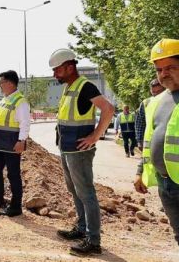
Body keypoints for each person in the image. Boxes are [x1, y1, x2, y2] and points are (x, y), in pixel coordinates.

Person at [49, 48, 114, 256]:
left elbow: (108, 109)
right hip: (67, 148)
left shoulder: (85, 87)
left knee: (86, 193)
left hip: (79, 151)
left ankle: (93, 241)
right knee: (75, 190)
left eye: (57, 70)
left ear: (69, 67)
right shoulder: (70, 87)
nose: (54, 74)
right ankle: (82, 228)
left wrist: (95, 136)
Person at [134, 39, 179, 251]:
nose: (164, 74)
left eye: (171, 67)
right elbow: (149, 139)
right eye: (159, 69)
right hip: (166, 183)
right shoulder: (156, 101)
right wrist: (140, 171)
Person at [0, 70, 30, 217]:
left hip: (12, 144)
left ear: (10, 83)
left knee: (13, 174)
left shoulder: (20, 101)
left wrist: (21, 141)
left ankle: (16, 207)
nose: (0, 85)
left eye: (1, 82)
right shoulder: (4, 100)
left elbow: (25, 123)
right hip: (0, 143)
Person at [135, 78, 164, 150]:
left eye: (159, 91)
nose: (156, 94)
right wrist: (139, 141)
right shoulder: (145, 103)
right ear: (150, 91)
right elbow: (140, 124)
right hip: (150, 143)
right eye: (154, 92)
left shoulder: (171, 101)